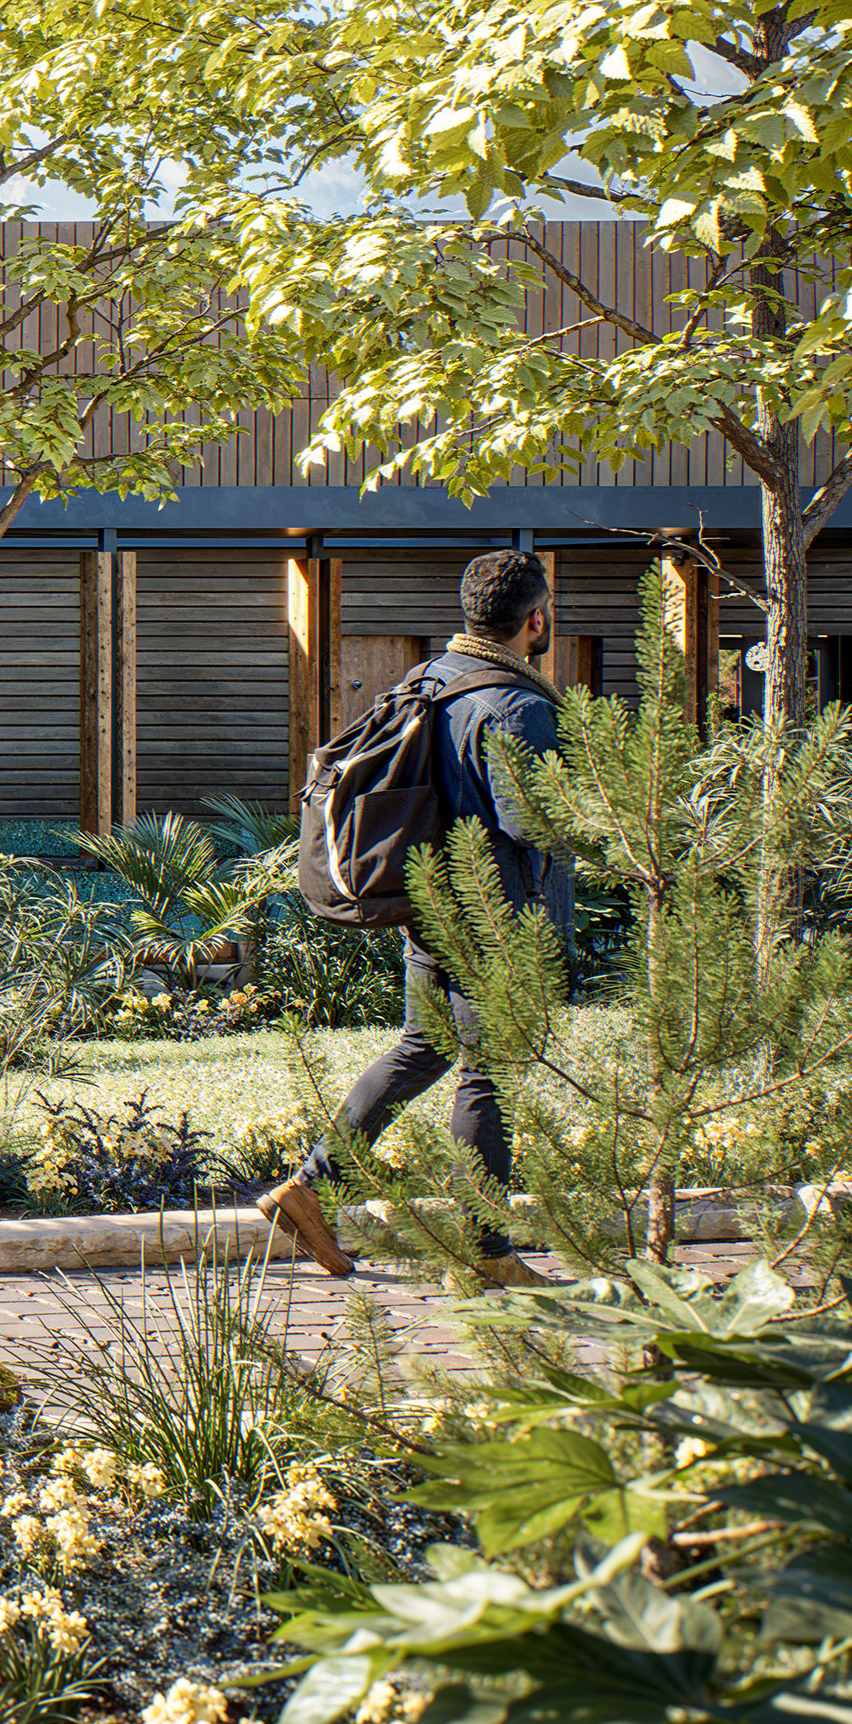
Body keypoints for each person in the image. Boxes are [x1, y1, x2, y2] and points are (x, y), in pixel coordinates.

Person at [262, 547, 571, 1286]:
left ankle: (310, 1186)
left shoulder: (429, 679)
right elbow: (533, 821)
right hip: (496, 912)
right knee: (487, 1070)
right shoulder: (516, 704)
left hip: (428, 898)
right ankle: (488, 1252)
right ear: (536, 618)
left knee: (421, 1048)